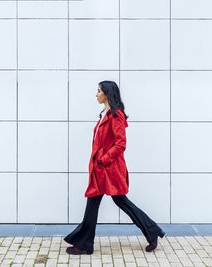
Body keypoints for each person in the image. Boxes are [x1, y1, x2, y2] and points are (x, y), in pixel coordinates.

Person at [64, 80, 165, 255]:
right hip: (101, 168)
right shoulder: (105, 114)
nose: (96, 94)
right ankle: (151, 231)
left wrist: (103, 159)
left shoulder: (116, 115)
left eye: (98, 91)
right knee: (101, 202)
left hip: (109, 169)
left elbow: (120, 144)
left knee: (115, 201)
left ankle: (85, 244)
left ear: (107, 94)